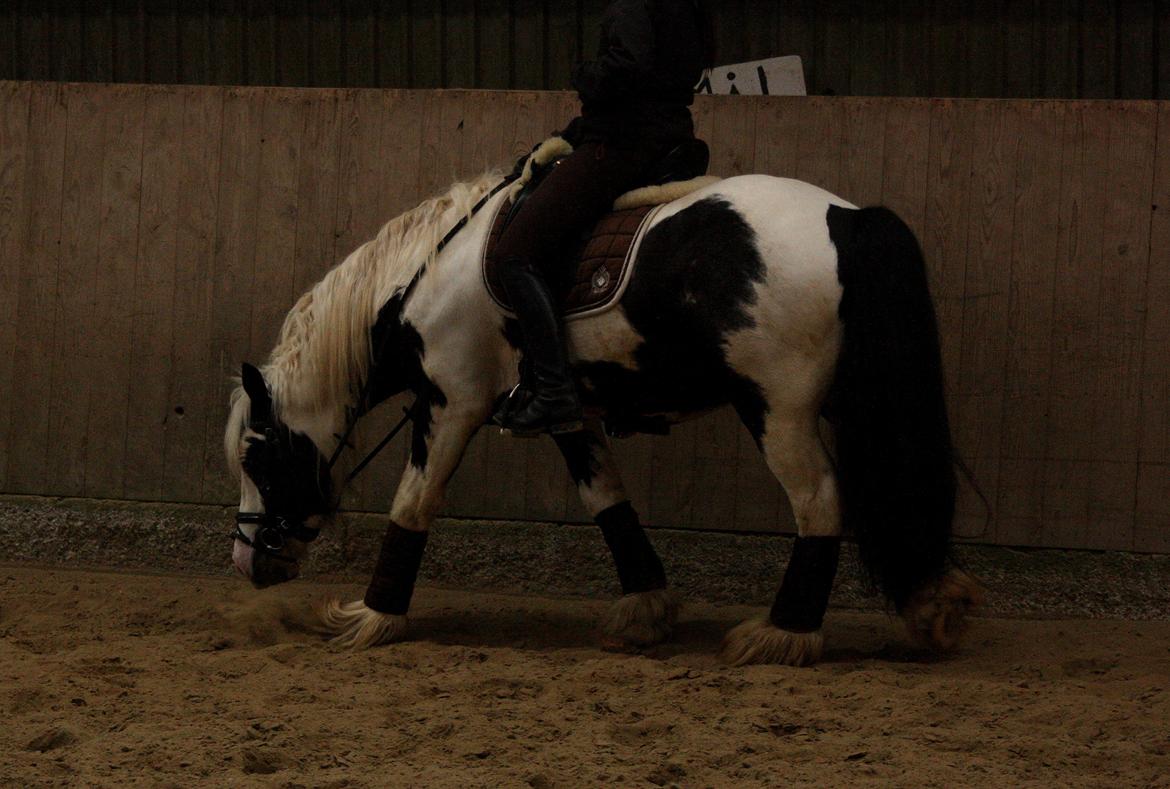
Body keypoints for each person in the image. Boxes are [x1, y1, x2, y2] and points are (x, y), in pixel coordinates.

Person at [492, 0, 712, 436]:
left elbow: (628, 65)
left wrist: (583, 74)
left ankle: (554, 392)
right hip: (669, 135)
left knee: (514, 256)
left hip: (623, 145)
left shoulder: (631, 4)